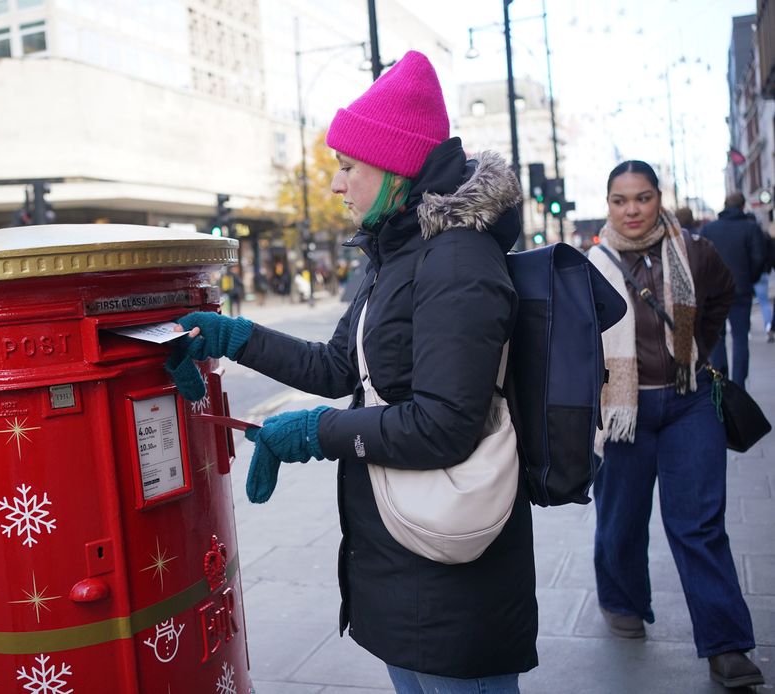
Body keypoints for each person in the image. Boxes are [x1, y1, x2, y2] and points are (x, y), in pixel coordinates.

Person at [173, 51, 536, 693]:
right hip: (402, 551)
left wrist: (318, 433)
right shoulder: (395, 254)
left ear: (394, 166)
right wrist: (234, 336)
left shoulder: (456, 261)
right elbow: (337, 363)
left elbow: (444, 425)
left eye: (346, 167)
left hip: (453, 565)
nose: (336, 184)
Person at [588, 161, 763, 689]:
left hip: (688, 404)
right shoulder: (591, 264)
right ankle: (622, 598)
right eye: (620, 200)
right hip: (625, 413)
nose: (632, 210)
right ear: (609, 204)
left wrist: (696, 350)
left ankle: (727, 646)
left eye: (642, 198)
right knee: (621, 518)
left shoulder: (695, 251)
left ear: (658, 199)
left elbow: (723, 297)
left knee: (700, 525)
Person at [699, 192, 768, 387]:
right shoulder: (750, 228)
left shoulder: (709, 229)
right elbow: (758, 258)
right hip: (740, 289)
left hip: (713, 292)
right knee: (740, 338)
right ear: (743, 205)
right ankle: (738, 385)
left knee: (716, 338)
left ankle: (720, 381)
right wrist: (749, 278)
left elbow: (700, 261)